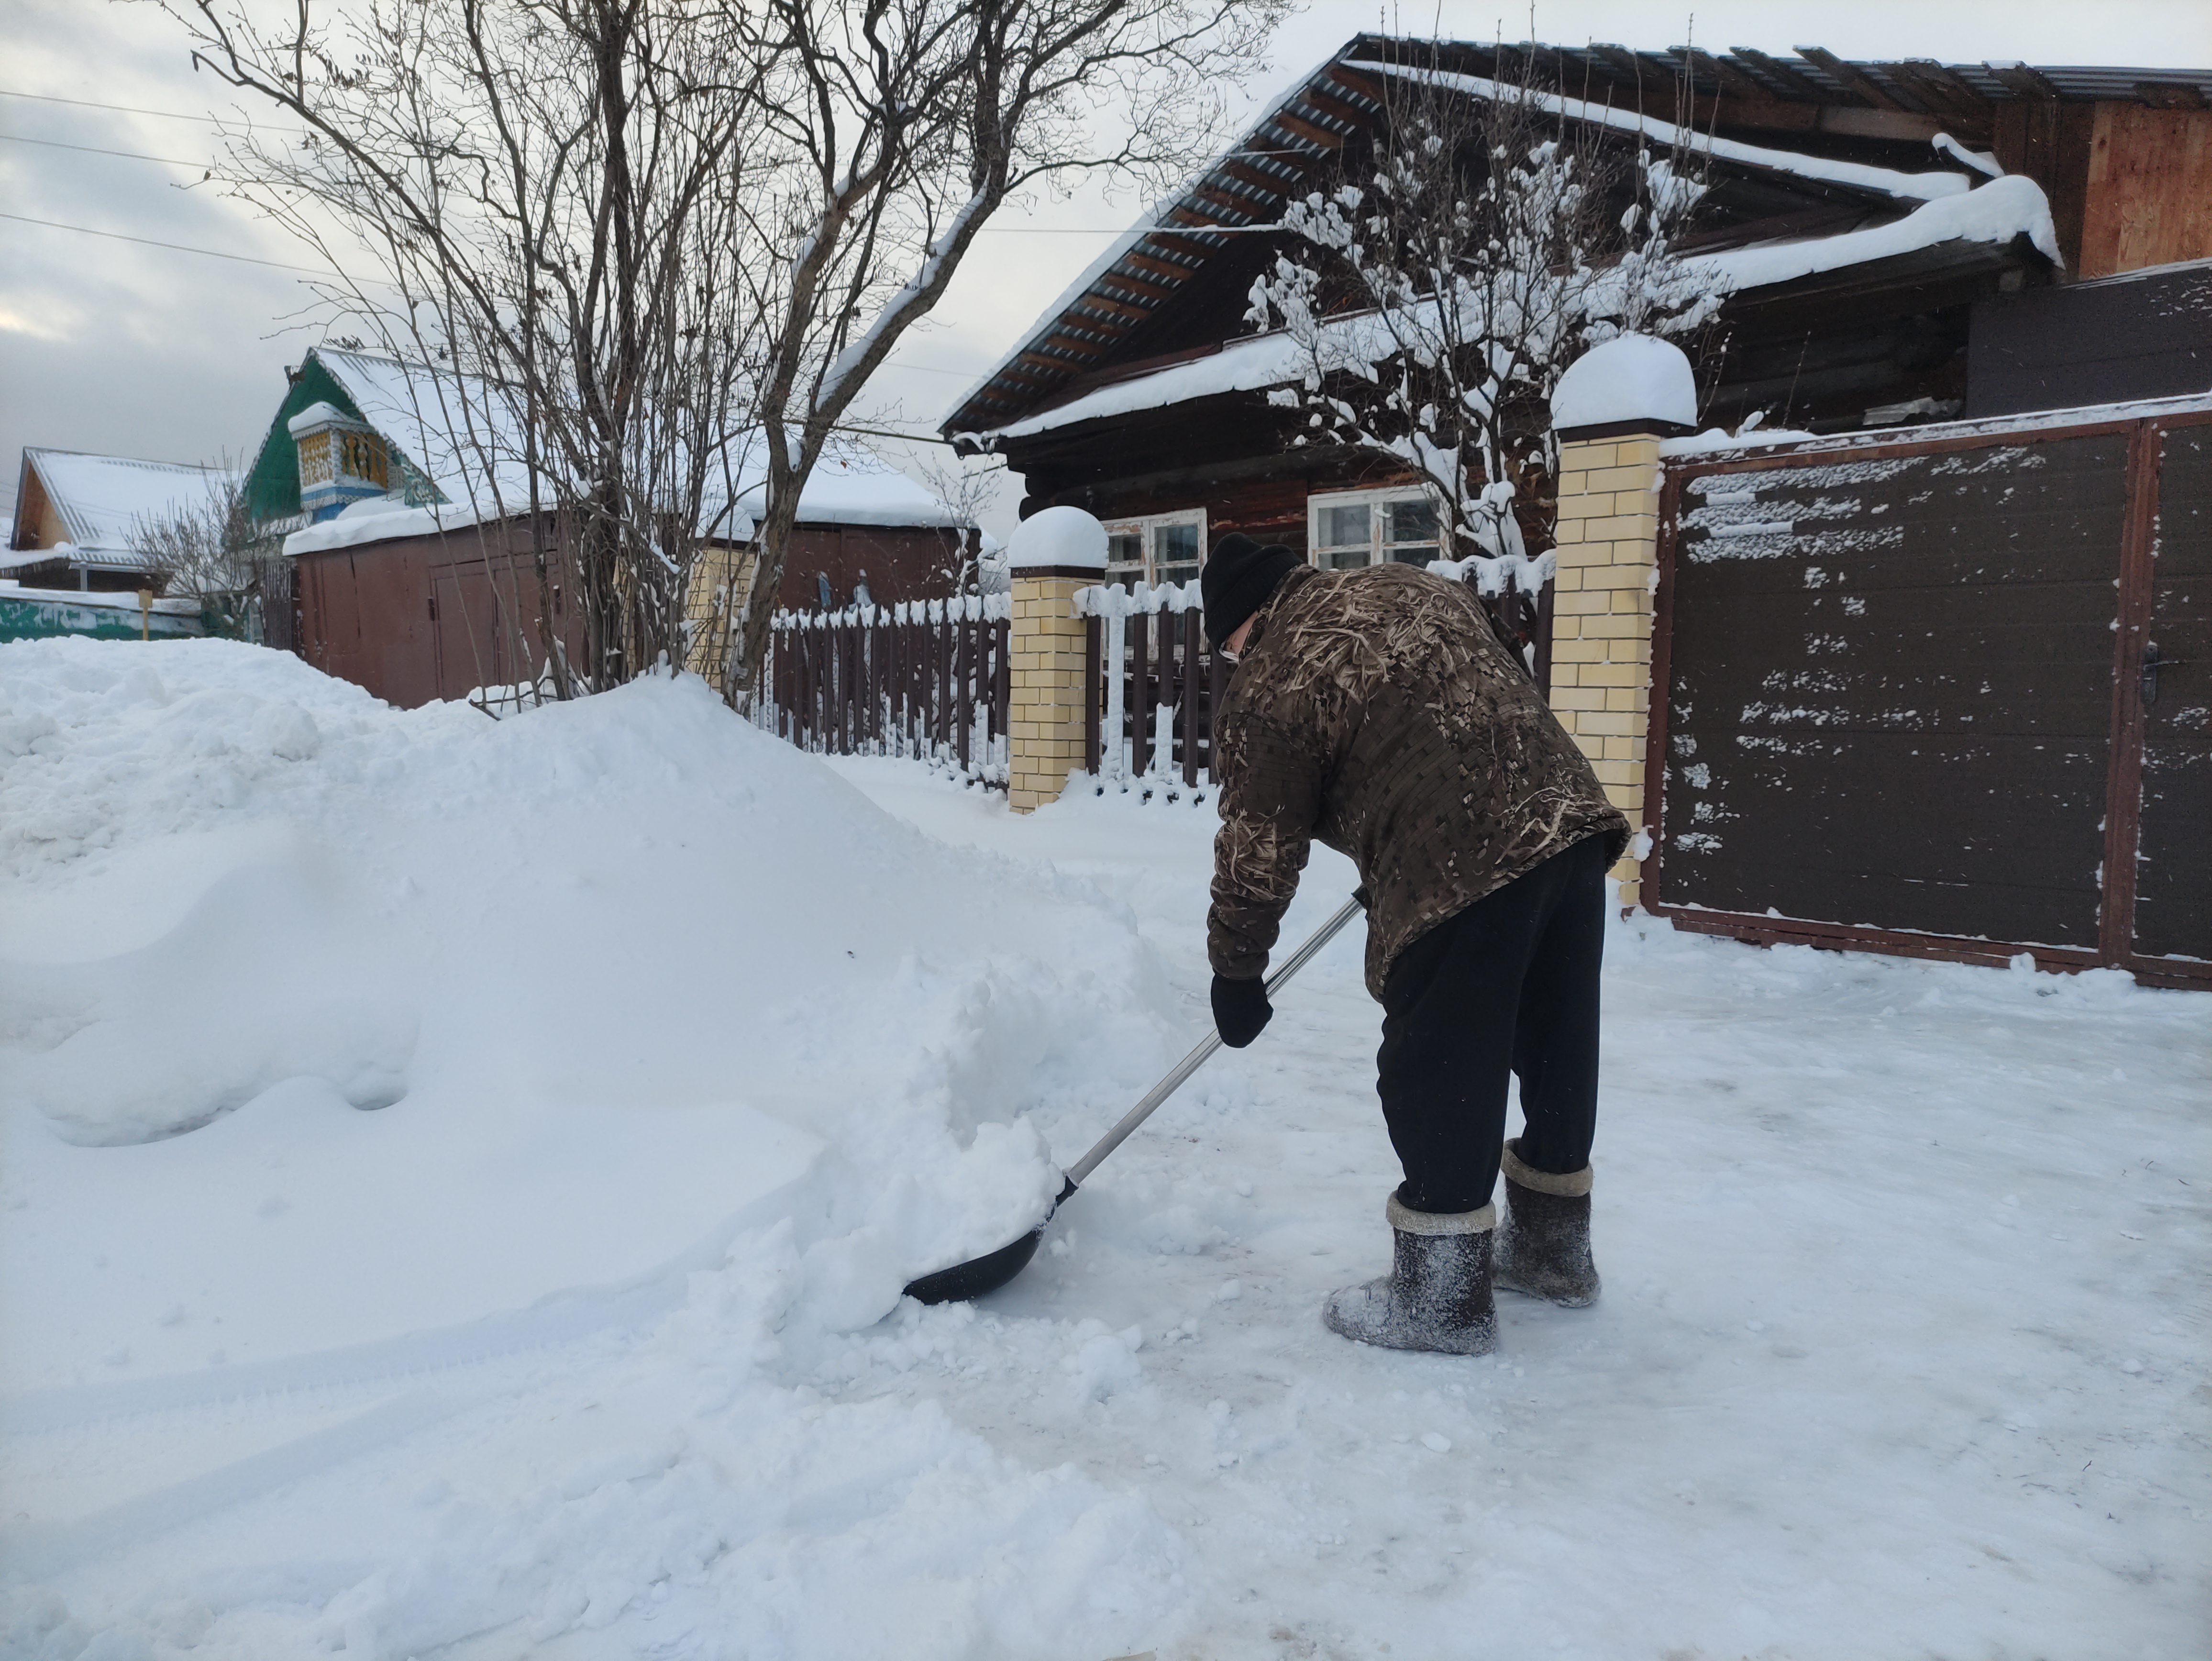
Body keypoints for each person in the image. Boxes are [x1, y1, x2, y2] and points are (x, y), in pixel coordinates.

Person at [1200, 531, 1629, 1356]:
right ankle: (1550, 1253)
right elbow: (1477, 691)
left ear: (1246, 623)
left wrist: (1235, 972)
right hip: (1569, 822)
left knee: (1439, 1061)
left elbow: (1259, 843)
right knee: (1555, 1042)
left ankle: (1441, 1302)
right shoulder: (1412, 586)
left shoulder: (1274, 674)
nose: (1233, 661)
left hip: (1460, 864)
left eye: (1229, 647)